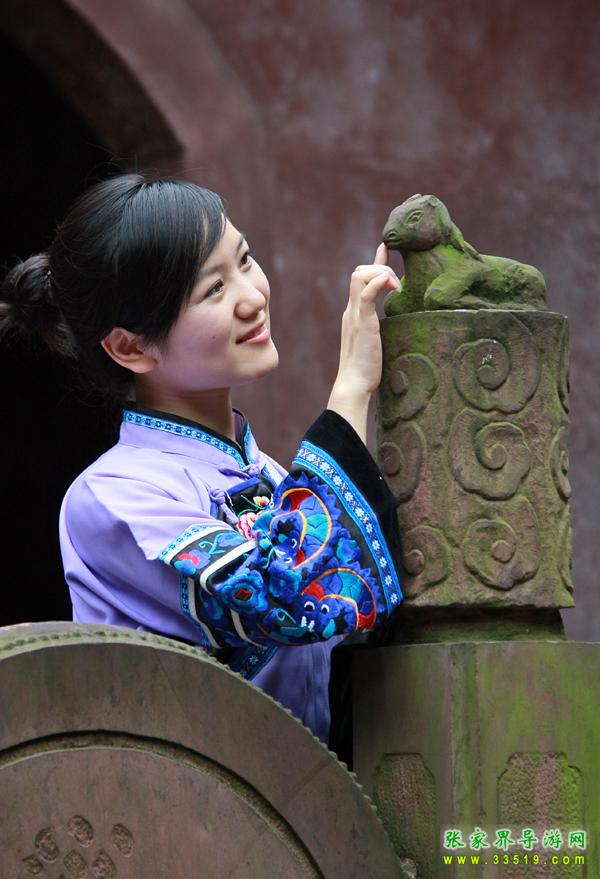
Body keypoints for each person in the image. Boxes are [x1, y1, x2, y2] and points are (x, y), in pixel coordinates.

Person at [0, 173, 403, 744]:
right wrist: (352, 388)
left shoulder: (273, 477)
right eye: (214, 289)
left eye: (246, 260)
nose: (253, 297)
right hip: (186, 800)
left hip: (305, 797)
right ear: (131, 346)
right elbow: (288, 599)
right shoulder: (113, 497)